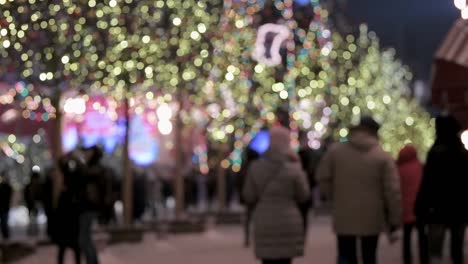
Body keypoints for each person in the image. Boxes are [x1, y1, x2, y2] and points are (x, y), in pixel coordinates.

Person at [316, 116, 401, 264]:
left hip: (344, 213)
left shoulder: (336, 151)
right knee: (369, 256)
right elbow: (392, 190)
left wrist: (334, 197)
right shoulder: (382, 156)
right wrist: (395, 219)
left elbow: (322, 177)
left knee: (345, 254)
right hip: (372, 215)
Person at [243, 126, 311, 264]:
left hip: (264, 220)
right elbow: (304, 195)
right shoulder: (294, 168)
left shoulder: (255, 167)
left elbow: (248, 195)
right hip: (289, 221)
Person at [415, 115, 468, 264]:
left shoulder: (435, 153)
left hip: (437, 209)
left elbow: (428, 183)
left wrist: (421, 206)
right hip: (459, 208)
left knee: (435, 252)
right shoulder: (462, 154)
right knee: (457, 251)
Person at [397, 145, 428, 264]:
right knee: (422, 237)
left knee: (407, 237)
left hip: (406, 209)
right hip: (420, 208)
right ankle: (424, 259)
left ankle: (407, 259)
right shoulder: (420, 167)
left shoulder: (399, 169)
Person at [237, 147, 260, 247]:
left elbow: (239, 183)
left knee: (248, 218)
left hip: (248, 196)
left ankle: (247, 238)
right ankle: (254, 238)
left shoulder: (244, 168)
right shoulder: (258, 168)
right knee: (256, 218)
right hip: (256, 196)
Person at [24, 170, 43, 236]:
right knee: (31, 219)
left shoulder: (39, 186)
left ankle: (35, 231)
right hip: (30, 204)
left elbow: (40, 195)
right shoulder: (29, 186)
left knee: (35, 218)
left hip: (36, 204)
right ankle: (31, 231)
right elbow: (26, 195)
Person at [0, 171, 12, 240]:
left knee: (4, 222)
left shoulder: (7, 187)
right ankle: (5, 235)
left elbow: (9, 196)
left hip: (5, 207)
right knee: (3, 222)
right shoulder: (2, 187)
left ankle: (6, 235)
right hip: (2, 207)